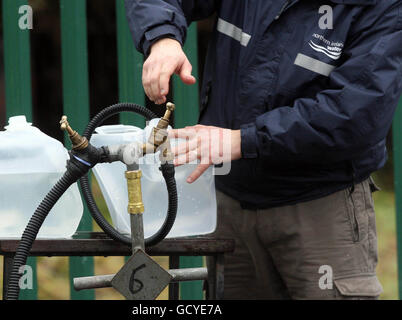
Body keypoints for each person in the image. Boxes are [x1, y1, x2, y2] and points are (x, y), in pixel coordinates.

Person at [125, 0, 402, 299]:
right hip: (230, 205)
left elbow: (357, 113)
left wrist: (243, 141)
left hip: (321, 205)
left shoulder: (384, 7)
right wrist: (162, 37)